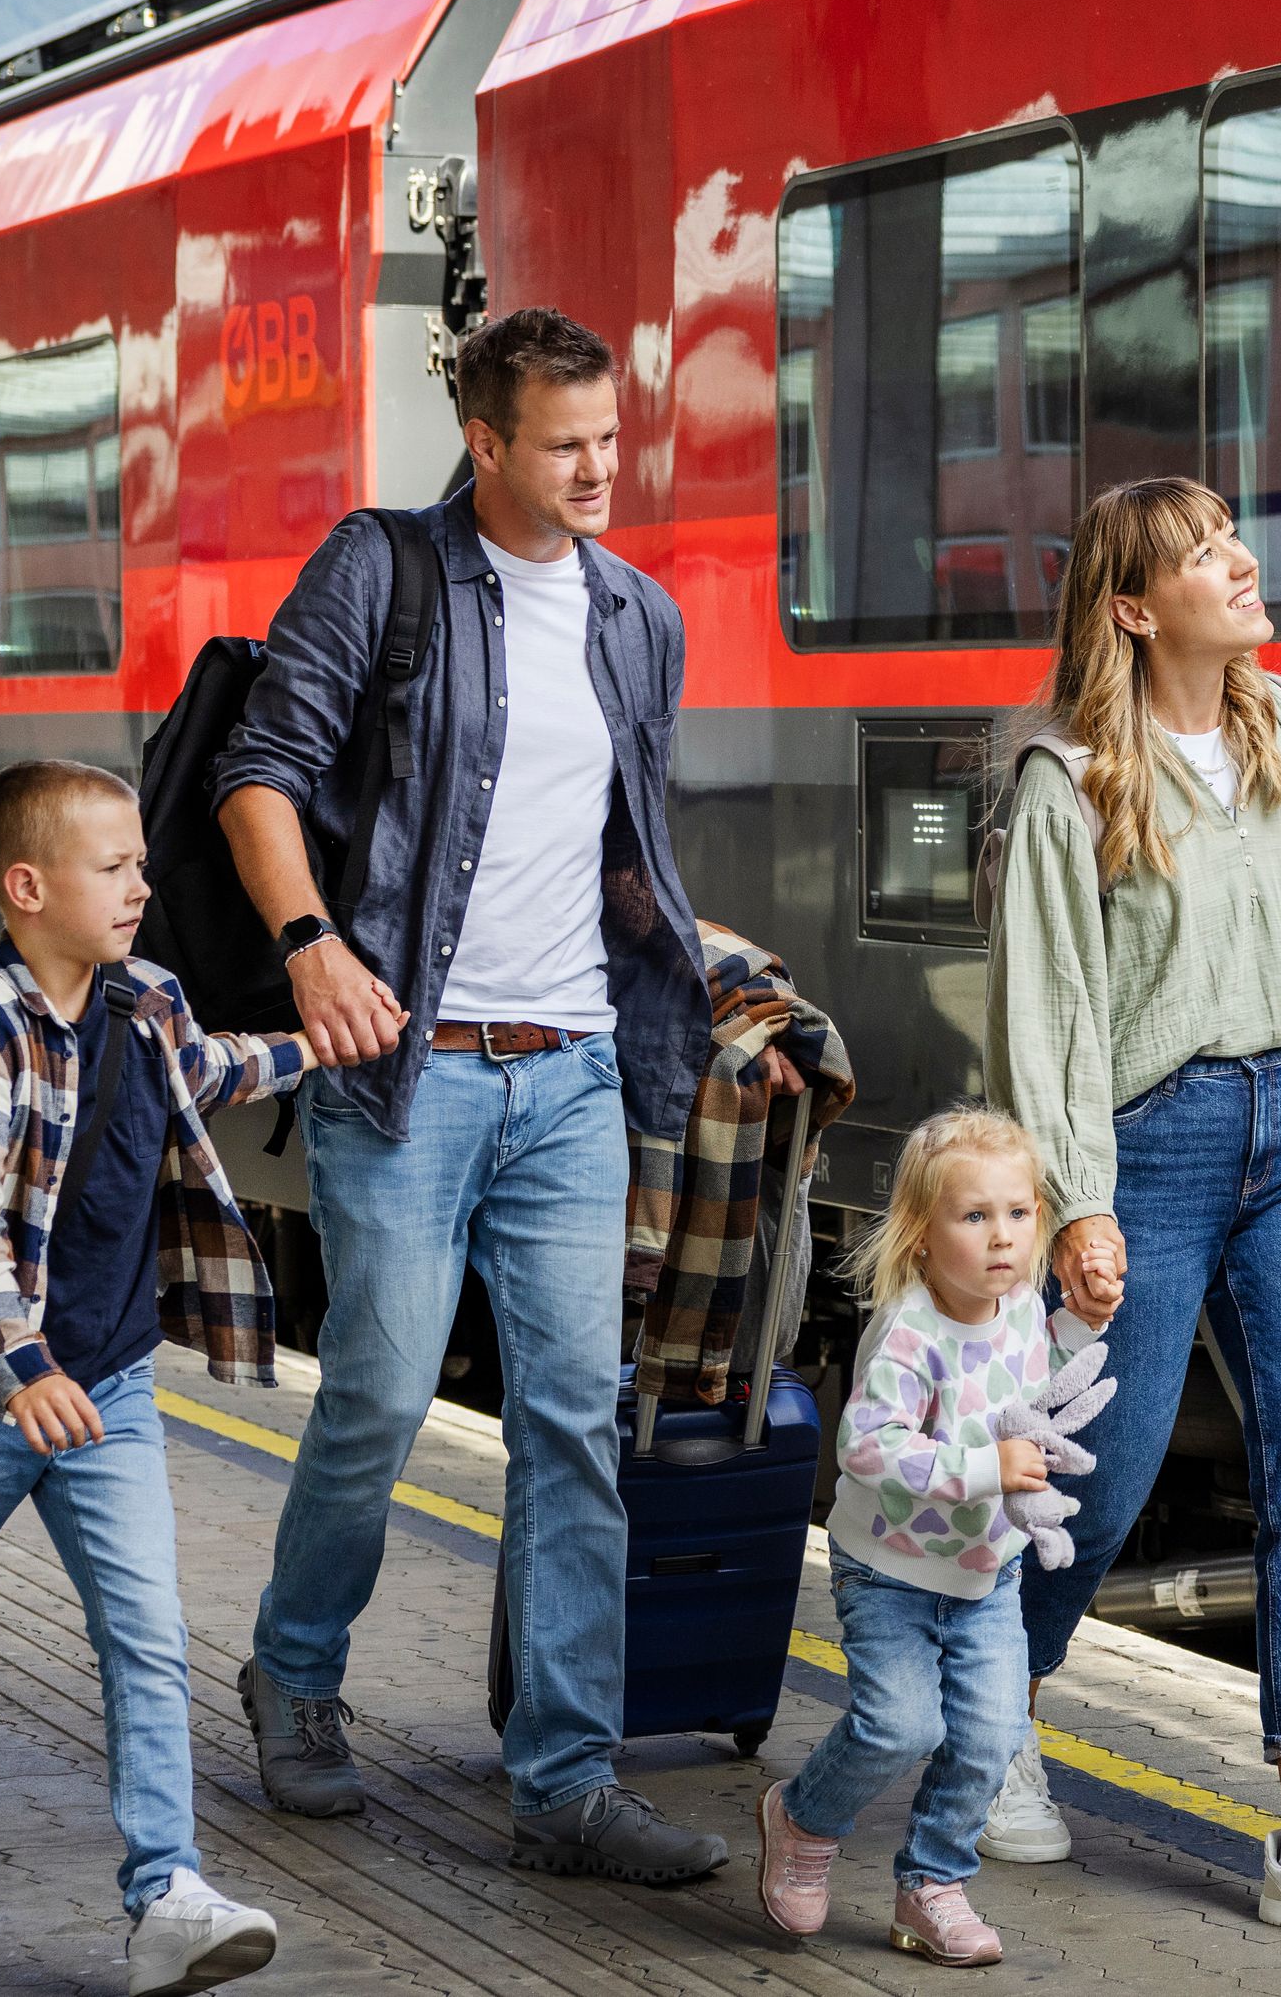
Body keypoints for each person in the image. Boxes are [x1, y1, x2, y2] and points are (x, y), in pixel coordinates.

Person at [209, 307, 726, 1885]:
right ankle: (294, 1674)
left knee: (574, 1424)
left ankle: (566, 1778)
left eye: (608, 440)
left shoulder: (639, 616)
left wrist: (717, 975)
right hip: (408, 1069)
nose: (595, 470)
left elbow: (618, 850)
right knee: (376, 1395)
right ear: (487, 442)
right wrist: (309, 948)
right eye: (561, 443)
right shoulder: (385, 572)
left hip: (569, 1071)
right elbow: (260, 772)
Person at [980, 475, 1281, 1948]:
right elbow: (1048, 1006)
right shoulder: (1068, 778)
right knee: (1102, 1487)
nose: (1244, 566)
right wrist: (1074, 1203)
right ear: (1134, 605)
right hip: (1151, 1148)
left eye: (1233, 542)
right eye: (1205, 554)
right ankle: (1001, 1718)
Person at [0, 760, 301, 1994]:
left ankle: (167, 1895)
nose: (145, 883)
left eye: (142, 861)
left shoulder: (146, 997)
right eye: (117, 867)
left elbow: (208, 1073)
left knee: (149, 1633)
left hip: (112, 1388)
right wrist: (23, 1368)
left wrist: (322, 1045)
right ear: (27, 888)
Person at [759, 1110, 1101, 1964]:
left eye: (1020, 1215)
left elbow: (1034, 1371)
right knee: (899, 1727)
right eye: (975, 1217)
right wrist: (990, 1467)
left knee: (990, 1737)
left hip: (988, 1573)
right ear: (920, 1234)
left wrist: (1083, 1322)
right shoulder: (908, 1335)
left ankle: (931, 1886)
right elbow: (868, 1448)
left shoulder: (1019, 1303)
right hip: (890, 1571)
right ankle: (801, 1820)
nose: (1003, 1239)